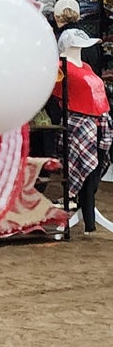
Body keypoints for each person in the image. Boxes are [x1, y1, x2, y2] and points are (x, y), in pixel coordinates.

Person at [51, 28, 111, 235]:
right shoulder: (60, 68)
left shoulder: (84, 66)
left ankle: (89, 214)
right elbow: (56, 95)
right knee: (84, 168)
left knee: (98, 166)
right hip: (79, 123)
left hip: (100, 121)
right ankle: (87, 217)